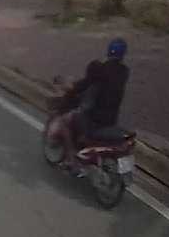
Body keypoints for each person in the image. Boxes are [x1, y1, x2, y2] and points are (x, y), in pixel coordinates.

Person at [56, 37, 130, 175]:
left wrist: (70, 87)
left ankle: (72, 162)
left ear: (108, 51)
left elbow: (82, 85)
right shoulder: (124, 72)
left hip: (94, 118)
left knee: (66, 122)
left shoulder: (98, 69)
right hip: (111, 119)